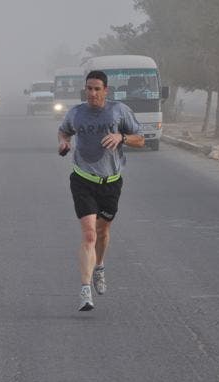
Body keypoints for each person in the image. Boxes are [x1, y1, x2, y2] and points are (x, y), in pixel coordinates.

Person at [57, 70, 144, 311]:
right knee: (89, 235)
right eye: (89, 88)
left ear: (106, 90)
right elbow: (64, 131)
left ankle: (100, 266)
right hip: (83, 180)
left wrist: (122, 137)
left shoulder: (119, 111)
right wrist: (63, 142)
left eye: (97, 89)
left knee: (103, 232)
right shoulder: (76, 113)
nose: (93, 93)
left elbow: (141, 138)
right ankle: (85, 291)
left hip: (111, 182)